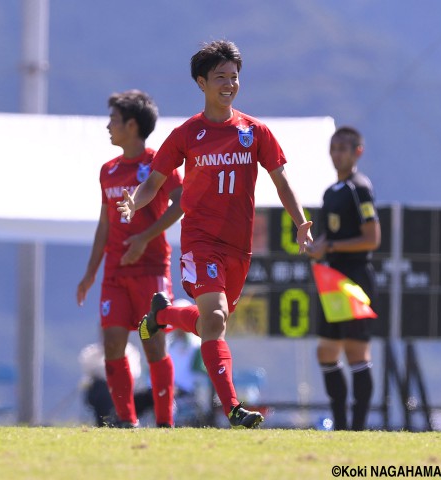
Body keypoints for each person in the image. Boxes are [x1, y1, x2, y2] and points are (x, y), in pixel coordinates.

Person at [117, 40, 313, 429]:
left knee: (211, 324)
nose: (229, 84)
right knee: (217, 317)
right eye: (220, 77)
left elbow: (282, 180)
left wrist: (300, 221)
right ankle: (233, 409)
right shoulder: (187, 134)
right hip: (200, 242)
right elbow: (154, 181)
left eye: (234, 76)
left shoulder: (255, 131)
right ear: (201, 83)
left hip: (239, 248)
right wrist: (135, 203)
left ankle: (163, 314)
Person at [76, 90, 183, 428]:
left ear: (132, 125)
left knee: (152, 346)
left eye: (114, 121)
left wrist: (144, 238)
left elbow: (182, 204)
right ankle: (127, 421)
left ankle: (165, 423)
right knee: (112, 346)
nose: (108, 126)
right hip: (114, 275)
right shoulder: (107, 170)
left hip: (151, 270)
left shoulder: (158, 164)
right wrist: (90, 273)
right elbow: (104, 224)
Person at [305, 126, 381, 431]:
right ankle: (339, 424)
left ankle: (358, 428)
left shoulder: (359, 188)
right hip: (332, 278)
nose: (336, 154)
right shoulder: (330, 192)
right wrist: (316, 245)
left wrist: (332, 246)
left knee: (355, 351)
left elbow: (372, 237)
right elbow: (329, 235)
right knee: (326, 351)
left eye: (343, 149)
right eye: (333, 148)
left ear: (357, 152)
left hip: (355, 279)